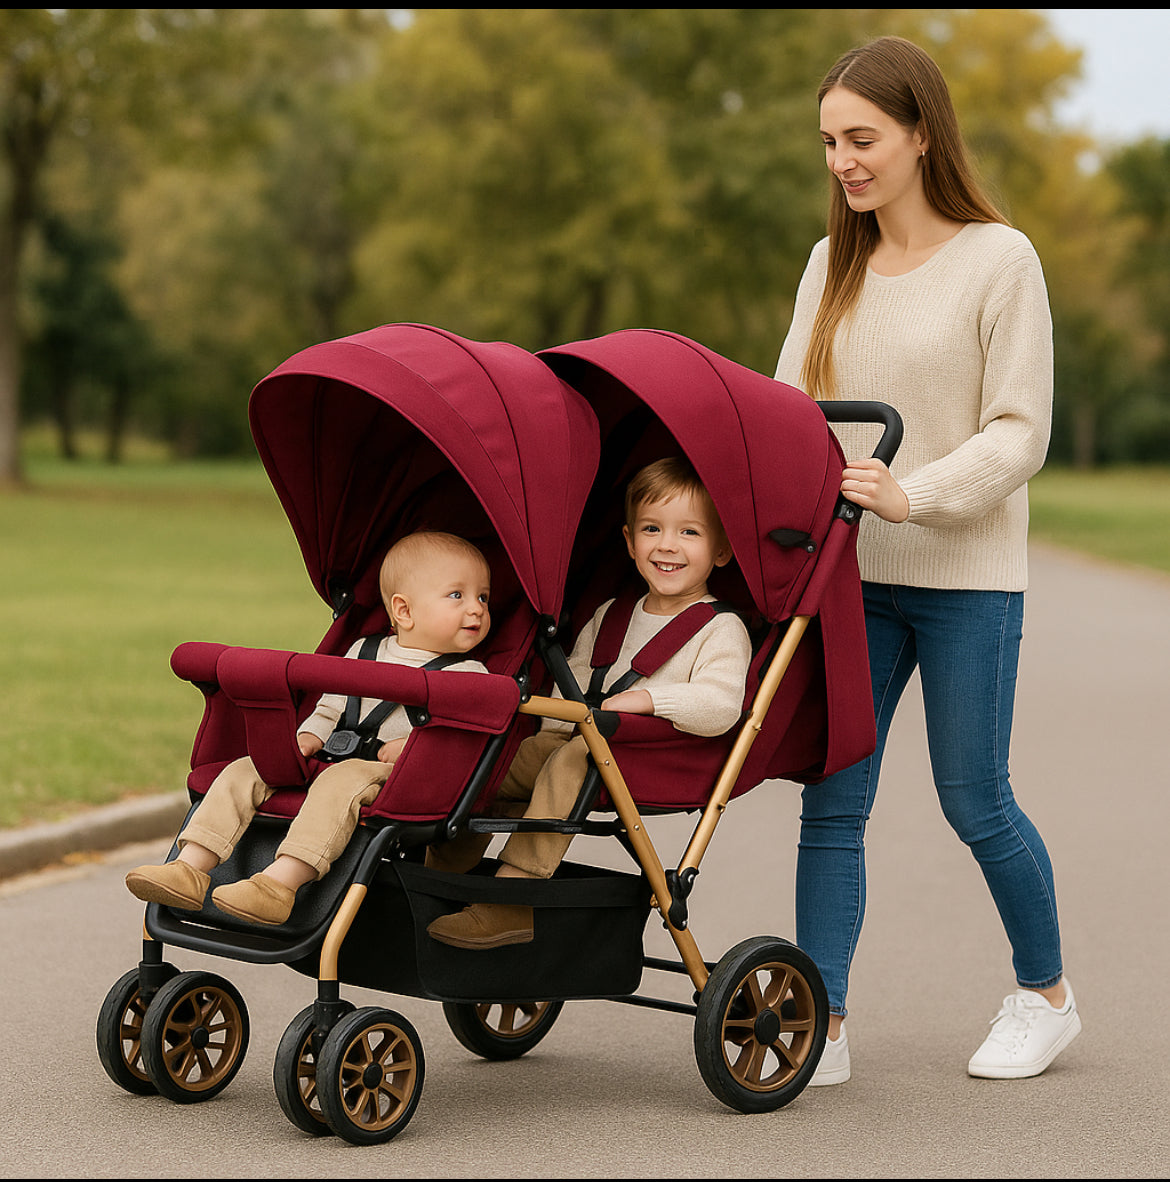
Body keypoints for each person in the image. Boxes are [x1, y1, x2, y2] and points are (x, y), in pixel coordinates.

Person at [774, 35, 1079, 1084]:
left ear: (918, 134)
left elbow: (1018, 430)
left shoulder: (1002, 258)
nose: (843, 162)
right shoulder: (832, 264)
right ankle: (824, 1020)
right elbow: (790, 418)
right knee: (834, 798)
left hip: (967, 584)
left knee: (974, 798)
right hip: (853, 582)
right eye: (828, 142)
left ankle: (1045, 996)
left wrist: (917, 493)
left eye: (861, 139)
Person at [425, 455, 752, 950]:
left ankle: (515, 893)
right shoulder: (612, 614)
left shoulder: (720, 628)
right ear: (629, 541)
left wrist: (646, 699)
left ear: (722, 551)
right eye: (652, 529)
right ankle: (442, 871)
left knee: (578, 756)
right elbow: (573, 680)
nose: (667, 545)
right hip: (580, 739)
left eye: (689, 533)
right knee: (498, 757)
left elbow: (720, 704)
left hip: (653, 757)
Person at [125, 530, 492, 926]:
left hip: (392, 774)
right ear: (403, 611)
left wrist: (412, 746)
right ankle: (191, 867)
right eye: (458, 596)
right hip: (332, 754)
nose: (476, 609)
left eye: (483, 598)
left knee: (343, 780)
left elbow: (458, 736)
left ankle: (280, 883)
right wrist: (307, 736)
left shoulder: (469, 674)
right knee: (249, 767)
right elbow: (331, 704)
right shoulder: (363, 651)